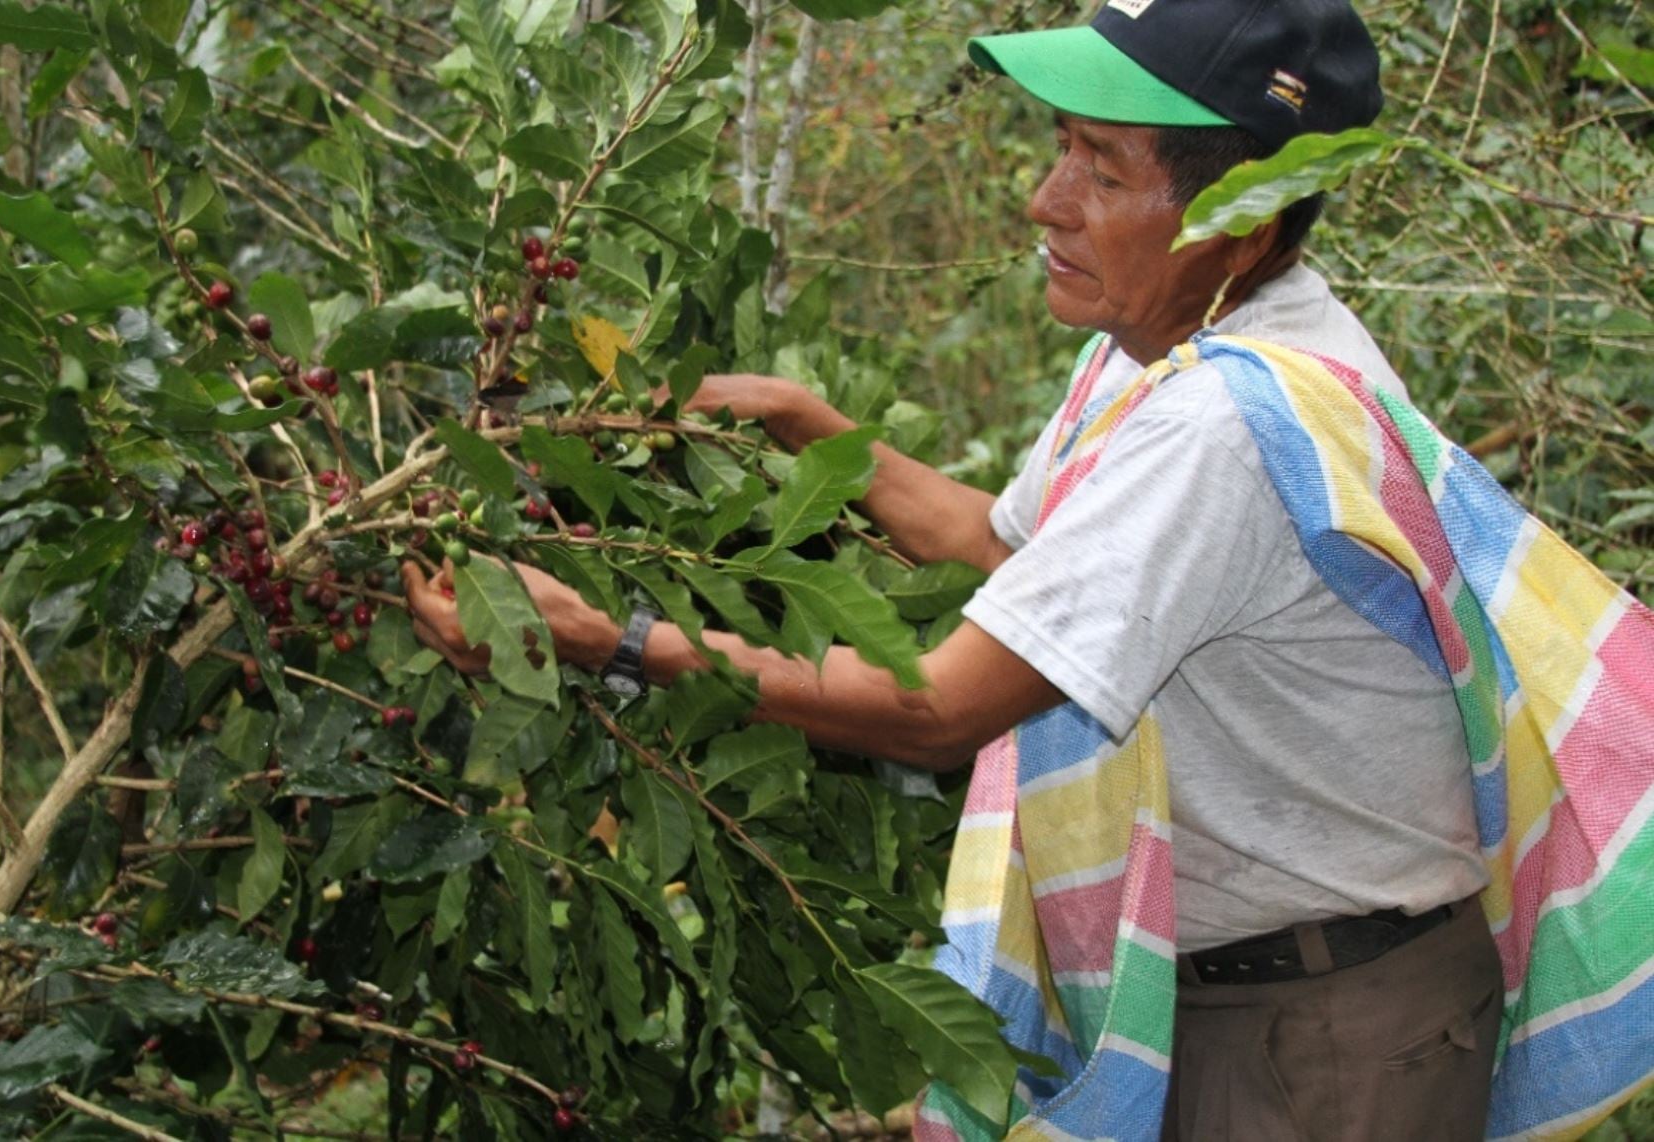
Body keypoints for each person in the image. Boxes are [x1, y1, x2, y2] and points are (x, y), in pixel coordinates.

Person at [407, 1, 1654, 1138]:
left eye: (1101, 168)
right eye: (1061, 146)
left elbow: (940, 705)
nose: (1044, 199)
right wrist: (805, 422)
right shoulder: (1169, 341)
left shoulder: (1223, 423)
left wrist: (609, 640)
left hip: (1324, 1029)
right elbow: (1010, 548)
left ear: (1242, 219)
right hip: (1253, 985)